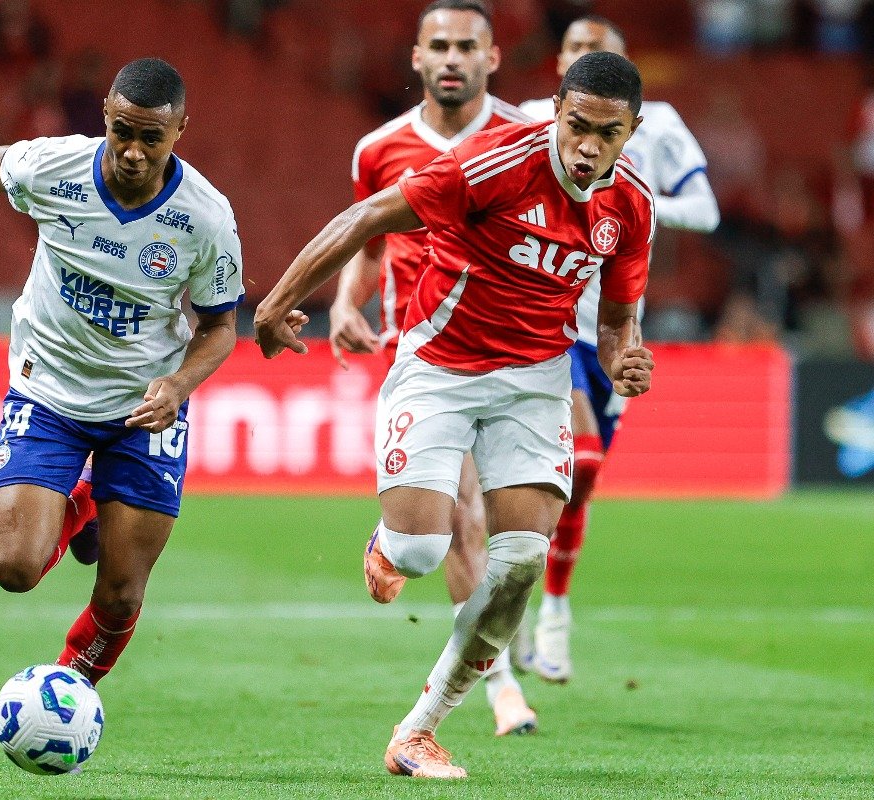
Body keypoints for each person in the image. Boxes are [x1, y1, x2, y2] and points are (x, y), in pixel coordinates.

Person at [256, 51, 655, 778]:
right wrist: (281, 302)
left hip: (536, 380)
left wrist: (626, 355)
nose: (589, 146)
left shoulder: (630, 208)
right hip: (439, 365)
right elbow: (367, 216)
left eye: (609, 132)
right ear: (556, 112)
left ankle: (419, 730)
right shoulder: (495, 164)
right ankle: (391, 539)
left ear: (631, 131)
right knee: (419, 553)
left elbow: (617, 324)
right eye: (578, 125)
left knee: (521, 561)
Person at [0, 57, 244, 684]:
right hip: (48, 390)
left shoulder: (206, 217)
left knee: (120, 595)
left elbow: (220, 327)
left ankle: (67, 692)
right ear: (105, 118)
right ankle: (84, 504)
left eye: (151, 137)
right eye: (122, 131)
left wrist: (177, 385)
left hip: (142, 408)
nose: (132, 151)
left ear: (180, 132)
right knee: (14, 568)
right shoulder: (55, 166)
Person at [328, 0, 539, 738]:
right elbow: (369, 238)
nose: (452, 58)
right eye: (438, 46)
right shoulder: (378, 149)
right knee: (463, 516)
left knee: (497, 521)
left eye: (466, 47)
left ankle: (496, 676)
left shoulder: (526, 140)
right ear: (416, 58)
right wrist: (343, 305)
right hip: (420, 351)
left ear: (493, 58)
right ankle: (501, 682)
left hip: (511, 351)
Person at [517, 15, 720, 684]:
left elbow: (707, 211)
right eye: (576, 51)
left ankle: (549, 606)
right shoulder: (526, 124)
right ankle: (537, 612)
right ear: (560, 73)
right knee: (579, 455)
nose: (587, 59)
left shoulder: (655, 127)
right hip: (541, 320)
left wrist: (628, 198)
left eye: (601, 52)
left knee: (583, 479)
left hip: (613, 324)